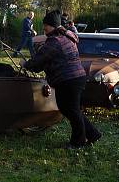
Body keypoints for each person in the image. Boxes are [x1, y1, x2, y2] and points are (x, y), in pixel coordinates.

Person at [23, 10, 100, 148]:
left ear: (53, 26)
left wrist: (25, 65)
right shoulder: (65, 38)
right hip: (75, 78)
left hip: (68, 80)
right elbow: (45, 62)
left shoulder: (55, 41)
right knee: (70, 109)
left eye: (46, 25)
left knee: (70, 109)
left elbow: (39, 60)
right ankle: (93, 134)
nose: (44, 28)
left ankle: (78, 142)